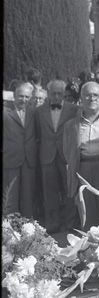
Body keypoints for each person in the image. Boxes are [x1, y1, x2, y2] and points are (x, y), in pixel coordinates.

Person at [63, 82, 99, 229]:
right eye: (87, 95)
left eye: (96, 95)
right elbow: (67, 152)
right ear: (81, 98)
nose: (92, 98)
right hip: (83, 169)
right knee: (87, 213)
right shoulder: (71, 125)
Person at [34, 79, 78, 232]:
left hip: (66, 155)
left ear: (64, 93)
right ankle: (53, 223)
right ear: (48, 93)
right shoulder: (39, 111)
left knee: (69, 189)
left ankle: (70, 222)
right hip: (47, 156)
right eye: (54, 93)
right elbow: (38, 134)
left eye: (60, 93)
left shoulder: (74, 109)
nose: (57, 96)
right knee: (50, 191)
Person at [3, 82, 38, 217]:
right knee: (10, 196)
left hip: (29, 160)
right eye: (21, 96)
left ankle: (29, 225)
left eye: (27, 97)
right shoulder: (5, 111)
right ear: (14, 95)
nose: (23, 100)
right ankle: (9, 225)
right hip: (10, 159)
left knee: (28, 197)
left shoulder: (34, 112)